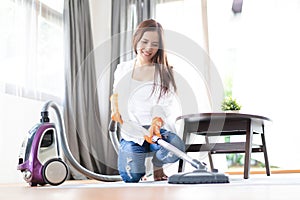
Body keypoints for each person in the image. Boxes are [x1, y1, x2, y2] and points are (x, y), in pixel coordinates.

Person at [110, 19, 185, 183]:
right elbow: (117, 95)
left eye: (154, 43)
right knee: (131, 176)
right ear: (136, 39)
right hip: (132, 133)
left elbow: (166, 104)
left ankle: (158, 164)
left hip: (157, 131)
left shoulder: (165, 72)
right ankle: (139, 163)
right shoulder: (122, 69)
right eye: (144, 41)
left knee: (175, 149)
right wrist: (115, 108)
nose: (149, 48)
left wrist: (156, 122)